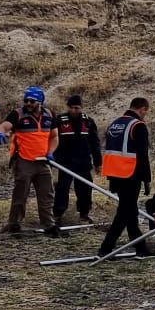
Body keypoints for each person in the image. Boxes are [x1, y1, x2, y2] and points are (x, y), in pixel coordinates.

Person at [97, 97, 155, 257]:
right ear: (142, 109)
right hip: (131, 174)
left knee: (130, 211)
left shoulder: (115, 124)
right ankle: (105, 249)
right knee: (124, 213)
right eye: (145, 112)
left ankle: (140, 248)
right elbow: (142, 156)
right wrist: (147, 179)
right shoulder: (138, 126)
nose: (145, 115)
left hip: (115, 173)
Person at [2, 87, 61, 236]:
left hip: (43, 161)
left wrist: (51, 152)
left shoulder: (50, 114)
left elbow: (54, 136)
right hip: (24, 161)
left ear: (40, 102)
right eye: (26, 100)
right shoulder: (18, 114)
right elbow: (4, 126)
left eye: (32, 101)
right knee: (20, 194)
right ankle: (14, 224)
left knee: (47, 194)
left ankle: (49, 224)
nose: (28, 103)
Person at [52, 93, 101, 224]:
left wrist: (98, 163)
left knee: (85, 188)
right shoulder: (59, 120)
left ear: (81, 108)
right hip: (65, 161)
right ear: (67, 107)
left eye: (77, 108)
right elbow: (52, 139)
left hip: (83, 161)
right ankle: (58, 214)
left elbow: (95, 143)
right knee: (62, 188)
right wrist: (53, 158)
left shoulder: (88, 121)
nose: (74, 110)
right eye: (72, 107)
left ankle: (84, 214)